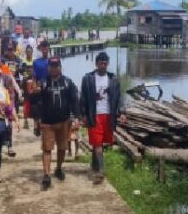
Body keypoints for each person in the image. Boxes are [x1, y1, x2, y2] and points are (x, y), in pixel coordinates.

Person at [79, 51, 126, 184]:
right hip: (94, 115)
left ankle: (94, 165)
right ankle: (101, 171)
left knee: (99, 142)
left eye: (105, 63)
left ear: (107, 64)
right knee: (97, 142)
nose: (103, 65)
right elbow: (82, 98)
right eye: (101, 63)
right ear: (96, 63)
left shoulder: (113, 79)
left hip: (108, 115)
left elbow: (119, 98)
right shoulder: (88, 78)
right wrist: (83, 115)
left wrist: (122, 112)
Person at [34, 57, 79, 189]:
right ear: (48, 68)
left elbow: (74, 100)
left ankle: (58, 168)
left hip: (64, 122)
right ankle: (46, 175)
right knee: (47, 149)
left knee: (62, 148)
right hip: (47, 123)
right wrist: (36, 121)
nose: (54, 68)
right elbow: (35, 102)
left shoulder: (68, 82)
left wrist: (76, 117)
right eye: (52, 66)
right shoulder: (43, 82)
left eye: (56, 66)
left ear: (60, 67)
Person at [31, 41, 50, 136]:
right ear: (41, 49)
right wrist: (34, 86)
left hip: (50, 86)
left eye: (46, 47)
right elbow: (34, 77)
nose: (45, 49)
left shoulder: (53, 61)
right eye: (43, 47)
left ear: (49, 48)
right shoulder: (36, 62)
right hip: (40, 86)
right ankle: (36, 123)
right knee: (36, 105)